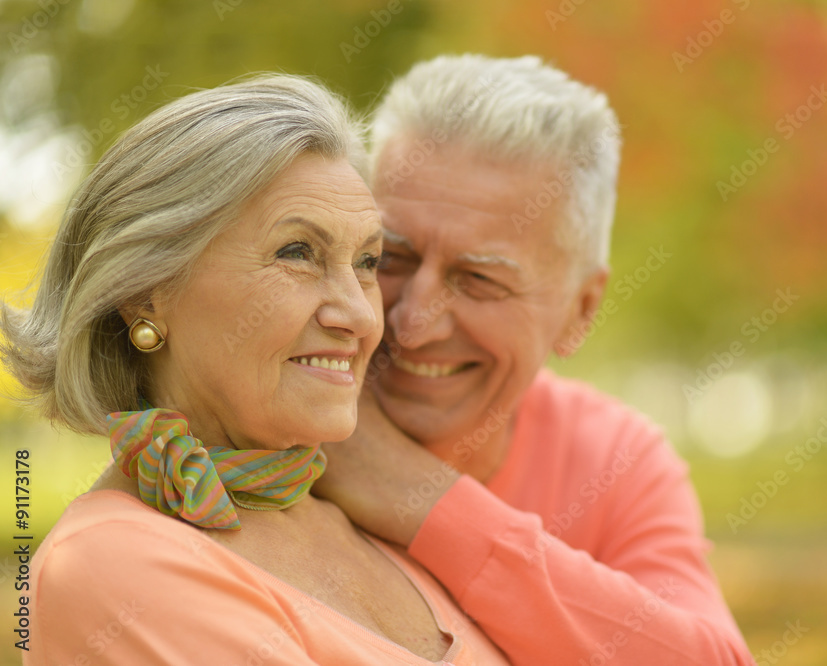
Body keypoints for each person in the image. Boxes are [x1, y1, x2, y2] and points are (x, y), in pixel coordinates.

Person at [2, 74, 508, 665]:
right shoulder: (106, 562)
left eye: (367, 262)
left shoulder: (378, 516)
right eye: (297, 252)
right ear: (145, 293)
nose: (358, 315)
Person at [314, 54, 756, 665]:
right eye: (390, 257)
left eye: (479, 279)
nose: (413, 324)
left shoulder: (615, 459)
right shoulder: (277, 421)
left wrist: (413, 494)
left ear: (580, 310)